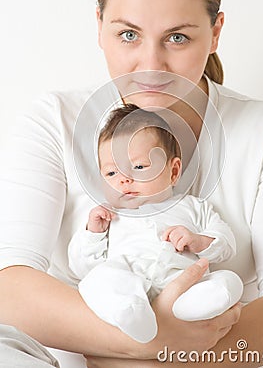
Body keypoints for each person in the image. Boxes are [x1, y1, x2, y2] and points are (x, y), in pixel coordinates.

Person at [0, 0, 263, 368]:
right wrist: (144, 344)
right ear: (99, 26)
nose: (152, 66)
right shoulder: (54, 120)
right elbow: (10, 285)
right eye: (128, 35)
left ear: (215, 33)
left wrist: (173, 357)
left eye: (177, 37)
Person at [68, 104, 243, 343]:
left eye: (139, 167)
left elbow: (226, 242)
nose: (124, 180)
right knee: (94, 282)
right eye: (111, 174)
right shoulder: (107, 217)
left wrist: (198, 241)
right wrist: (92, 234)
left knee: (228, 281)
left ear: (173, 171)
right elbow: (82, 267)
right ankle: (130, 312)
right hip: (131, 284)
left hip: (182, 285)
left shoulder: (192, 206)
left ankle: (194, 308)